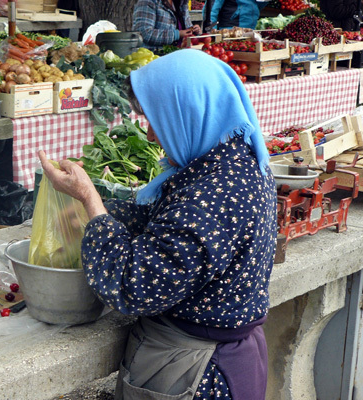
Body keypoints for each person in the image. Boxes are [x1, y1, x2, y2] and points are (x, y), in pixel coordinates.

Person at [38, 49, 277, 399]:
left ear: (188, 111)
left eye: (155, 119)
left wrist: (91, 201)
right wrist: (99, 211)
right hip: (225, 357)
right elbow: (167, 227)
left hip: (195, 372)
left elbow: (133, 286)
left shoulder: (211, 195)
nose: (150, 135)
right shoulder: (236, 162)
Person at [132, 0, 202, 50]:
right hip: (155, 57)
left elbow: (186, 28)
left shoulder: (181, 3)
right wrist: (177, 34)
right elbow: (144, 33)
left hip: (179, 54)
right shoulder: (148, 2)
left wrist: (194, 31)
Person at [202, 0, 269, 31]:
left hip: (249, 31)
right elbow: (211, 9)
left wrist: (264, 2)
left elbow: (254, 8)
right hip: (229, 31)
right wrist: (211, 30)